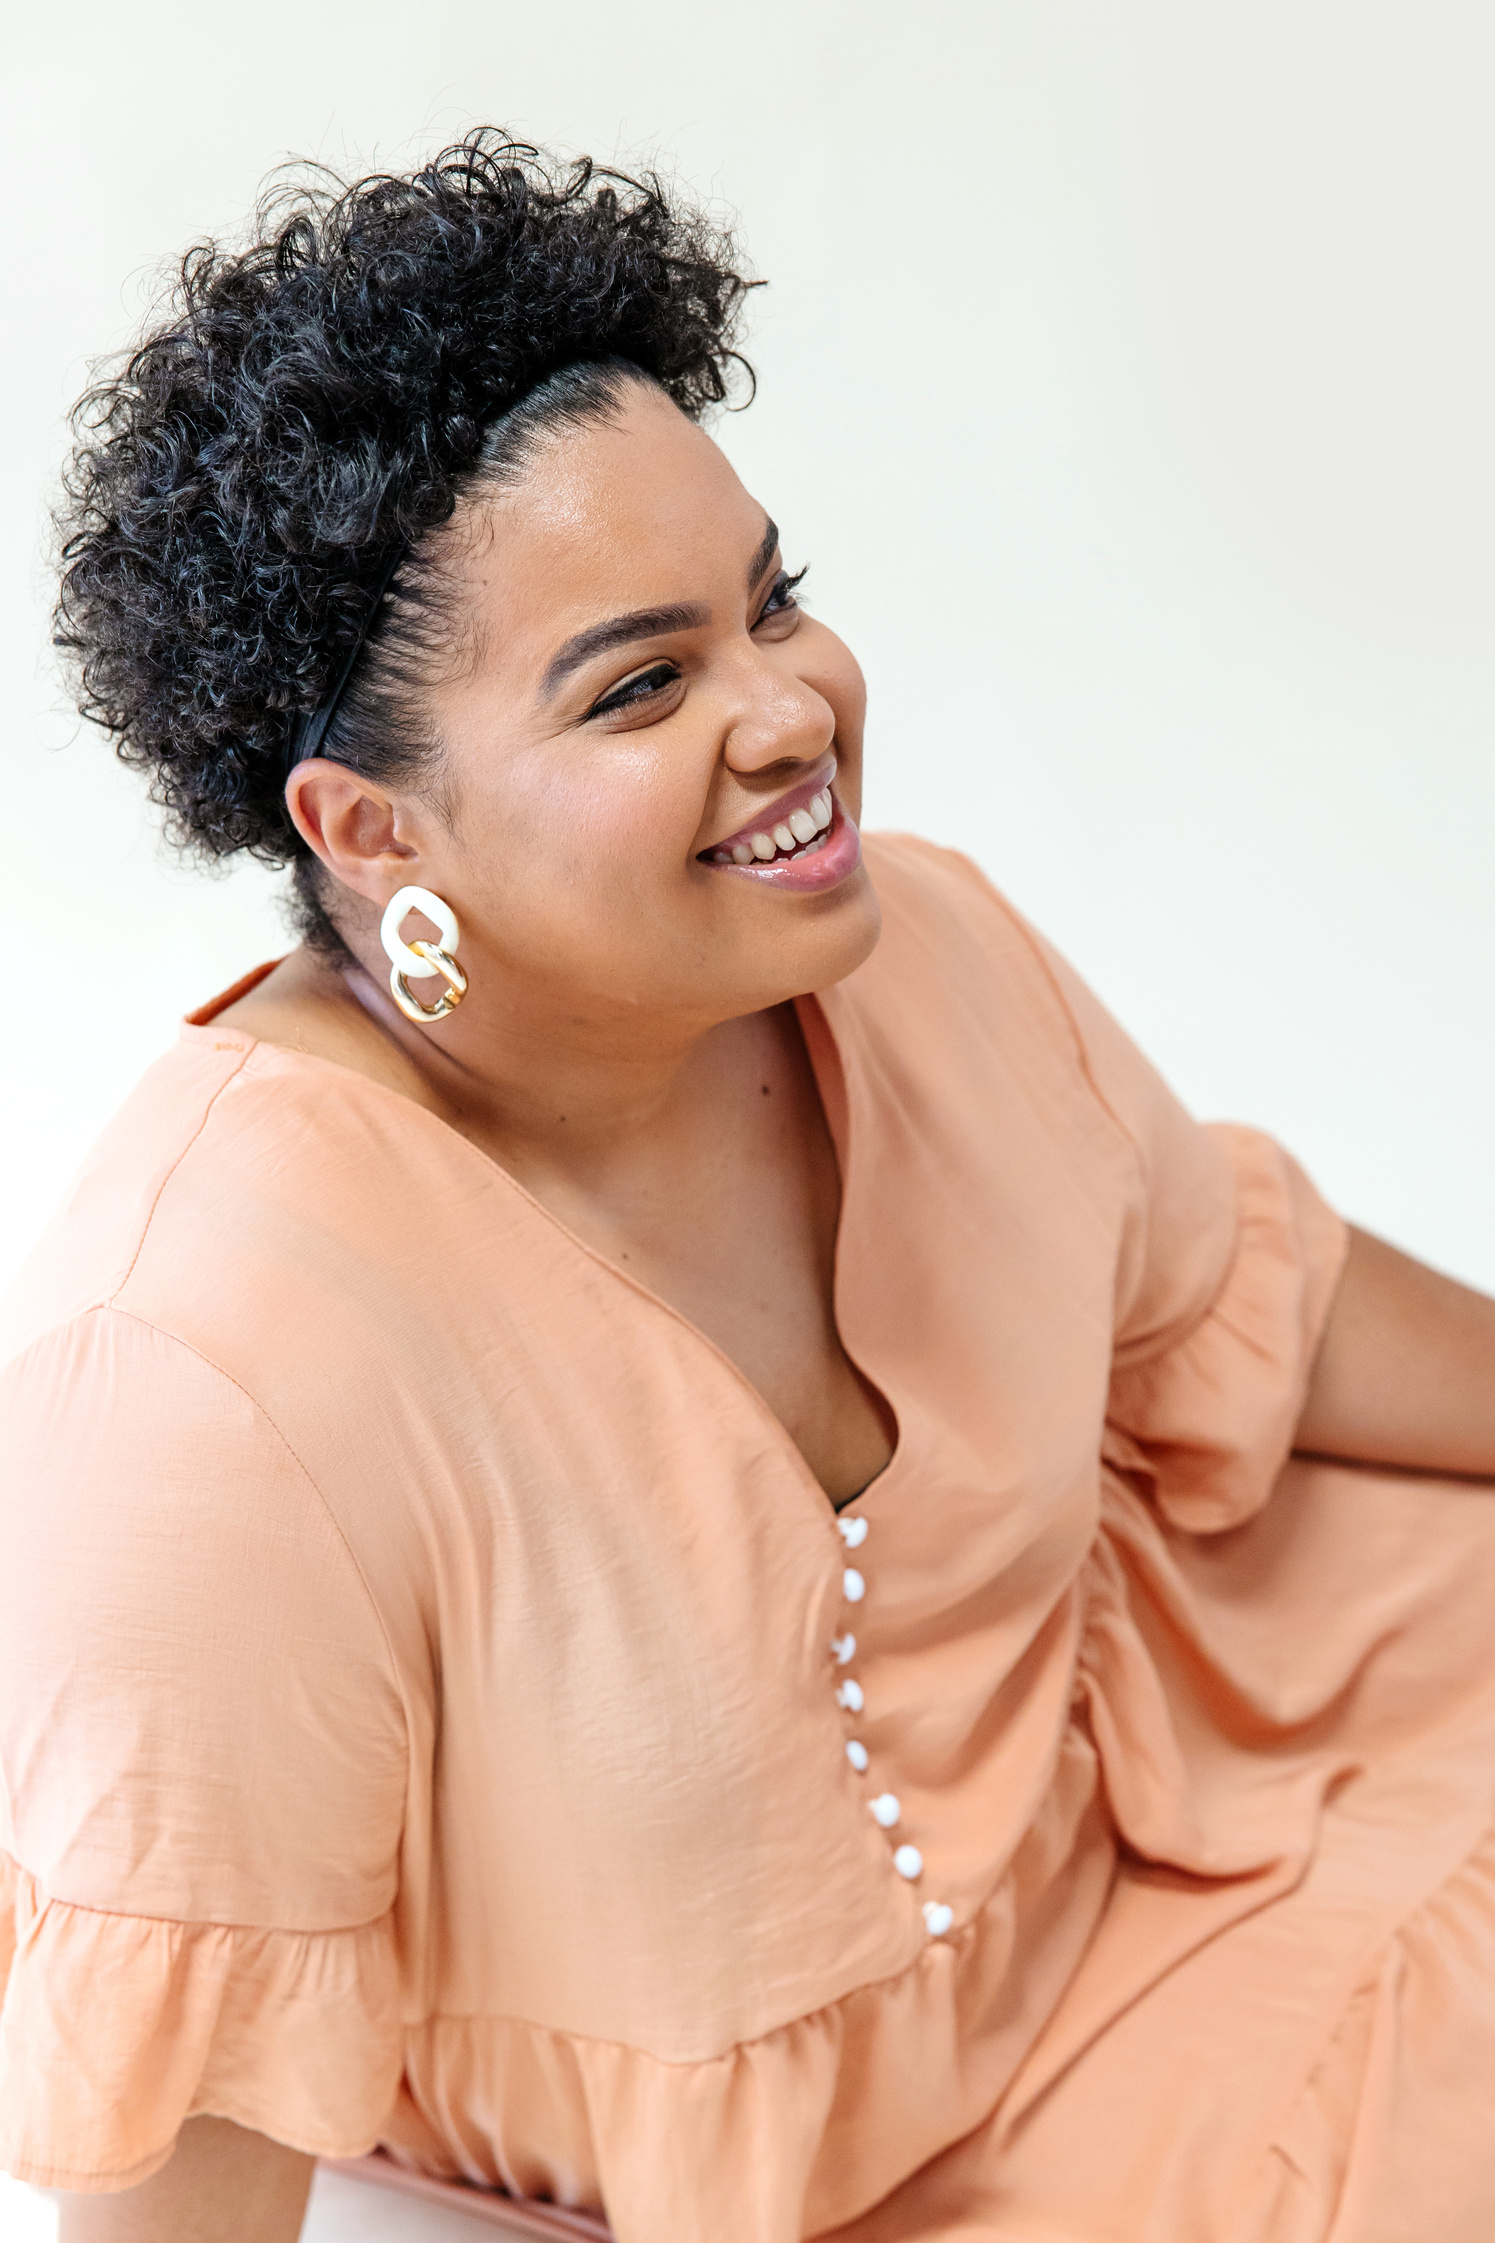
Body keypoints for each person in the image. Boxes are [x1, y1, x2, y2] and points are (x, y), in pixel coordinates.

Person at [2, 131, 1493, 2243]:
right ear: (370, 829)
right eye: (642, 683)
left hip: (1239, 1795)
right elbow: (187, 2095)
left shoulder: (917, 960)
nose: (793, 710)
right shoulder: (199, 1384)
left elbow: (1241, 1299)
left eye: (770, 600)